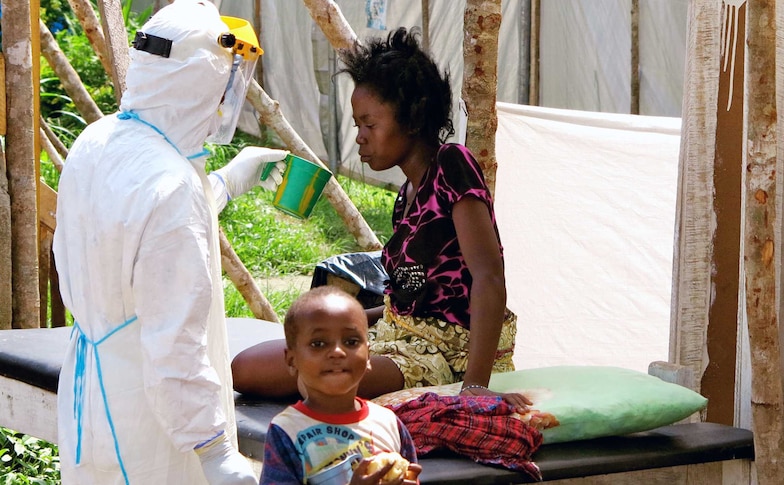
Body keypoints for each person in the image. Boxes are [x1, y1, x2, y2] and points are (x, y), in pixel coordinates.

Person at [231, 27, 531, 412]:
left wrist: (474, 385)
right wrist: (339, 321)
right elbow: (405, 301)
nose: (360, 137)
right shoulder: (406, 195)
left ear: (411, 118)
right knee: (250, 365)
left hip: (447, 357)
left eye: (369, 124)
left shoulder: (452, 166)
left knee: (303, 376)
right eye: (358, 125)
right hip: (395, 336)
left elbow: (489, 277)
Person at [52, 1, 288, 483]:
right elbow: (174, 343)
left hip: (89, 396)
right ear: (197, 84)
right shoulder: (172, 187)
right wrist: (214, 450)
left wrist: (227, 180)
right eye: (222, 85)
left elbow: (133, 229)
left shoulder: (98, 141)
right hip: (151, 424)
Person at [259, 286, 422, 484]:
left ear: (369, 356)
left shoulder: (389, 423)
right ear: (292, 360)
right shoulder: (287, 431)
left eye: (351, 341)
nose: (337, 351)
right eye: (318, 344)